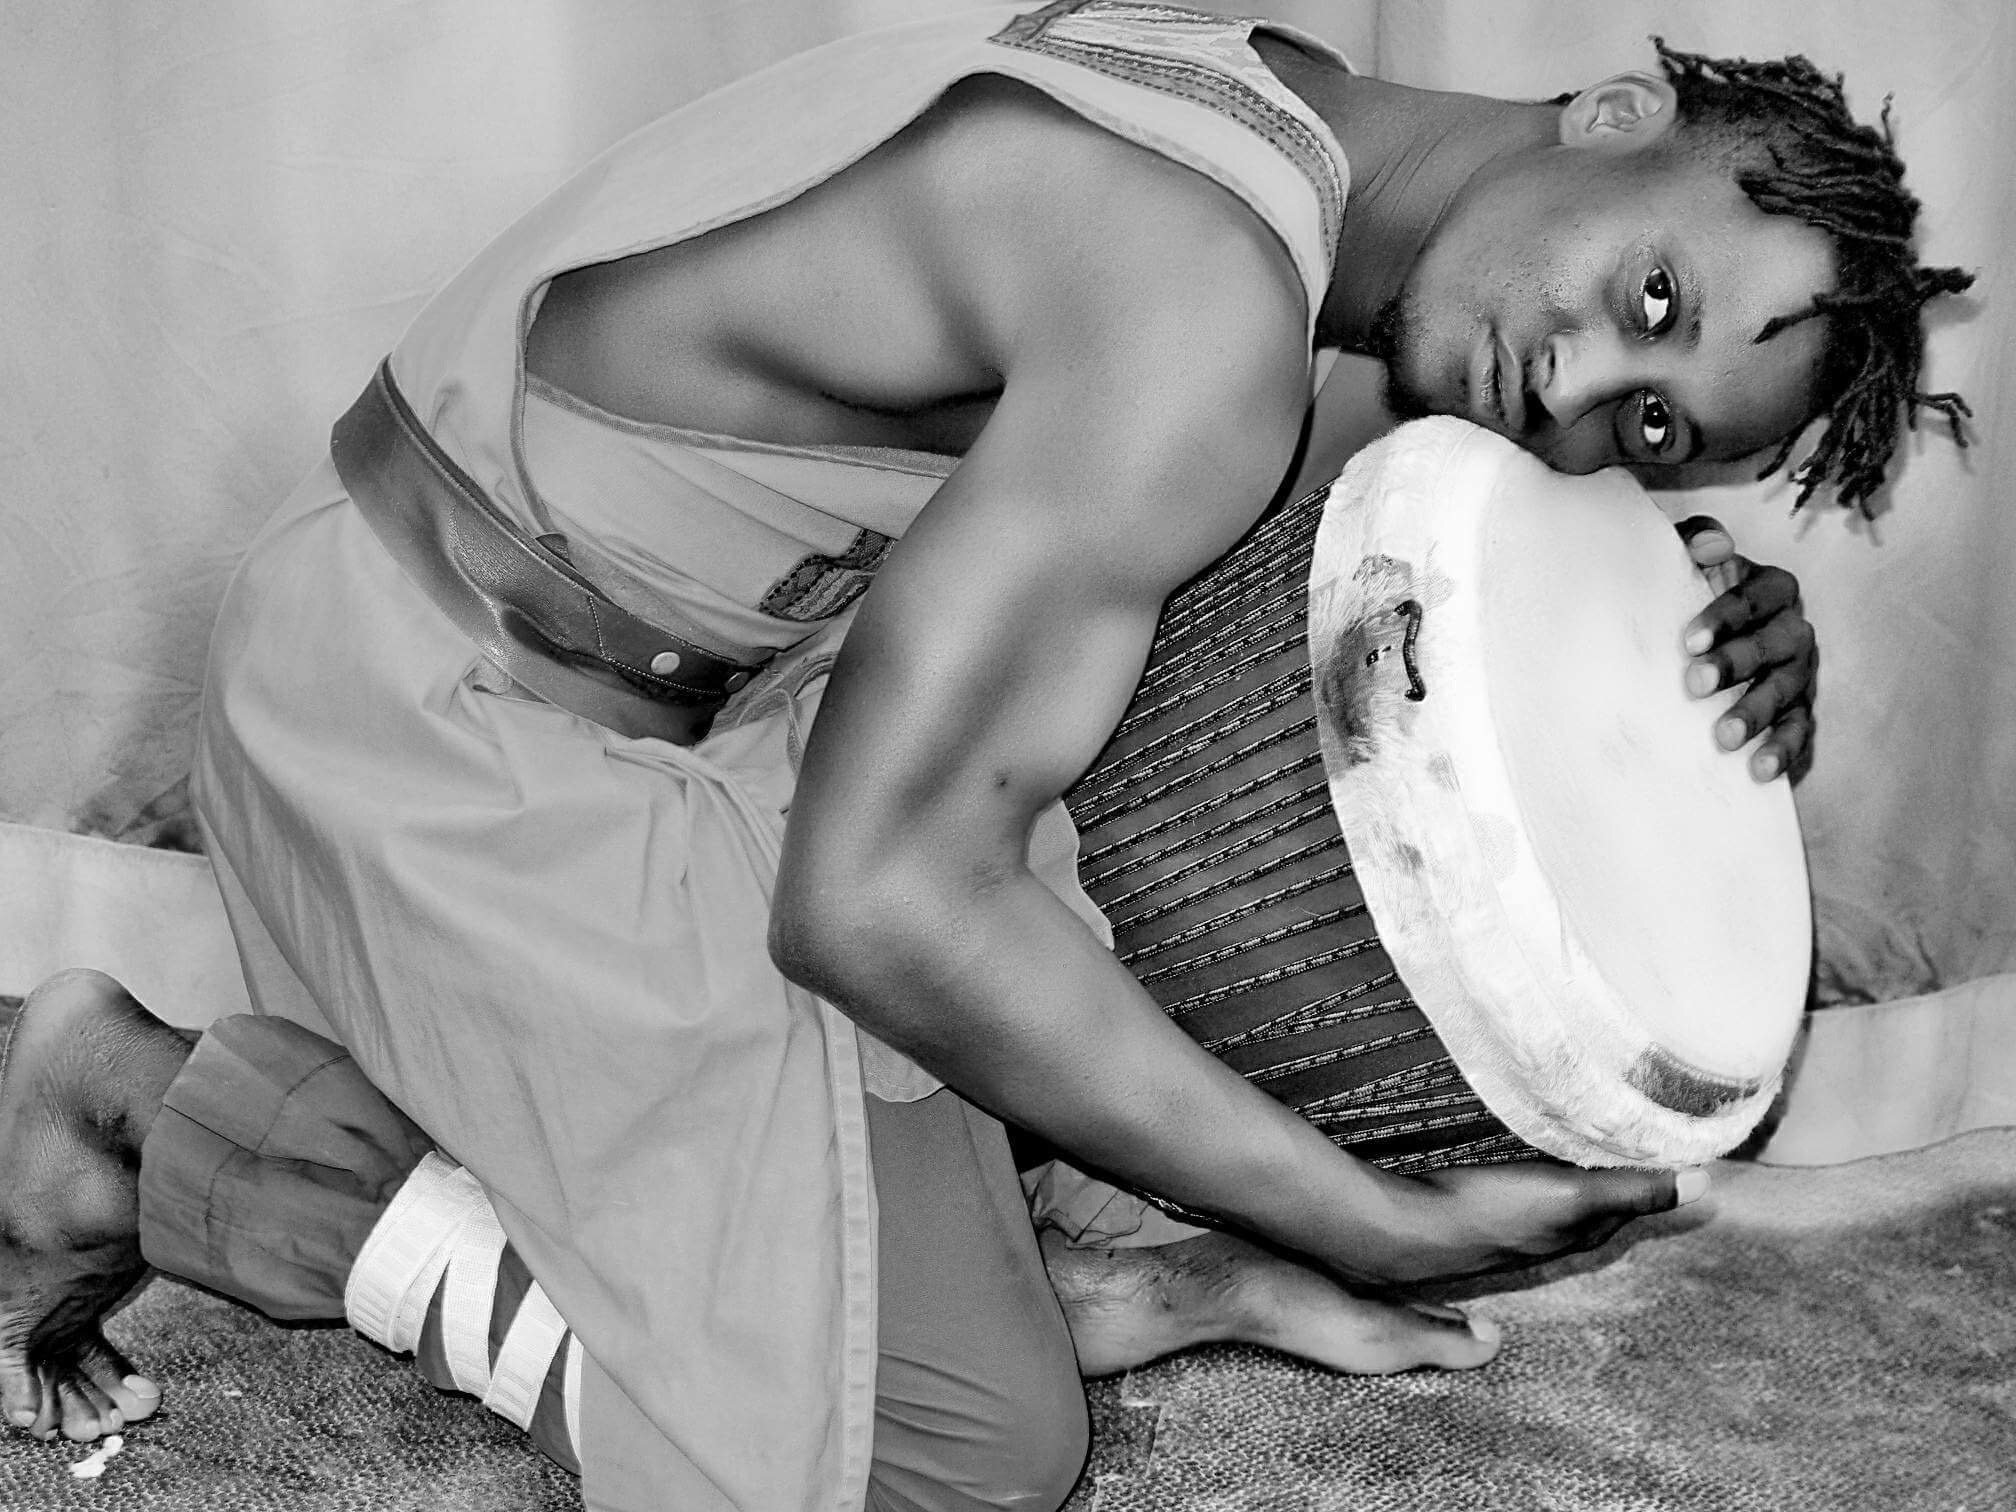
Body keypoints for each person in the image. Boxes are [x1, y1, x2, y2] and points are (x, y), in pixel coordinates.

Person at [0, 4, 1971, 1509]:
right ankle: (141, 1125)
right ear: (1615, 115)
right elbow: (874, 899)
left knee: (1100, 859)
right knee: (955, 1455)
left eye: (1650, 433)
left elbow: (1313, 508)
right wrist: (1350, 1213)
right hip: (436, 739)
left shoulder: (1258, 106)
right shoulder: (1202, 309)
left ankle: (1034, 1266)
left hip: (550, 663)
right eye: (1651, 299)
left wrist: (1652, 620)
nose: (1584, 390)